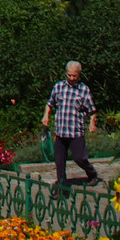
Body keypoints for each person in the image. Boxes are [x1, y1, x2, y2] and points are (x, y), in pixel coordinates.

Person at [42, 60, 99, 188]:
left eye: (75, 76)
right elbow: (49, 103)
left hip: (75, 131)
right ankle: (62, 186)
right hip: (61, 131)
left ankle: (92, 174)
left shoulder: (83, 90)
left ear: (79, 75)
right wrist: (46, 115)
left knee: (79, 158)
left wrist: (92, 123)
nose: (72, 78)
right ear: (66, 74)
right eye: (70, 75)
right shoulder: (58, 87)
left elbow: (92, 111)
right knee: (59, 161)